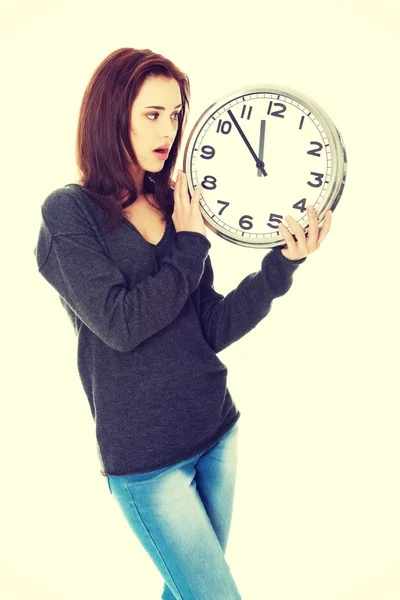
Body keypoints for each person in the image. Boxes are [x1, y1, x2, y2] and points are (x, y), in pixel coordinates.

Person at [33, 47, 332, 600]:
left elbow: (209, 327)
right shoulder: (68, 214)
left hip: (216, 431)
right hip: (147, 461)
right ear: (111, 115)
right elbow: (120, 323)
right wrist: (190, 245)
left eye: (175, 115)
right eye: (152, 114)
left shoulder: (175, 203)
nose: (169, 129)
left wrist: (283, 264)